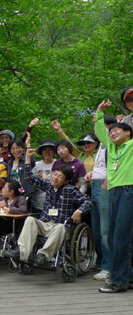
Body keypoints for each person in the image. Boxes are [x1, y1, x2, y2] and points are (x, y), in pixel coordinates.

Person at [9, 148, 93, 266]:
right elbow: (29, 178)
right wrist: (27, 158)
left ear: (66, 181)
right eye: (55, 174)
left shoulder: (70, 190)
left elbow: (89, 201)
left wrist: (79, 210)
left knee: (60, 227)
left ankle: (43, 255)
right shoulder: (48, 185)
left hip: (61, 226)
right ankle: (22, 253)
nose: (55, 178)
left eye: (60, 177)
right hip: (45, 223)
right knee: (30, 220)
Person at [95, 100, 133, 293]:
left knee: (119, 238)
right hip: (114, 192)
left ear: (128, 132)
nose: (113, 133)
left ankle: (118, 281)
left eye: (118, 130)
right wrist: (100, 112)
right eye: (111, 132)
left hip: (129, 191)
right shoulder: (112, 149)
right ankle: (128, 278)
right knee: (117, 237)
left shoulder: (132, 145)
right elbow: (100, 131)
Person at [87, 113, 116, 281]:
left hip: (105, 187)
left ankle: (109, 266)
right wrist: (91, 173)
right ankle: (100, 261)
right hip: (95, 185)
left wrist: (105, 180)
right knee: (96, 229)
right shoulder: (102, 148)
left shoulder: (113, 144)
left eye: (99, 124)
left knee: (105, 230)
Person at [5, 138, 44, 213]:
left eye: (18, 147)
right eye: (13, 149)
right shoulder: (9, 163)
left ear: (22, 148)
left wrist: (28, 145)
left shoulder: (26, 159)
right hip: (12, 194)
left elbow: (32, 162)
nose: (16, 150)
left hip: (25, 194)